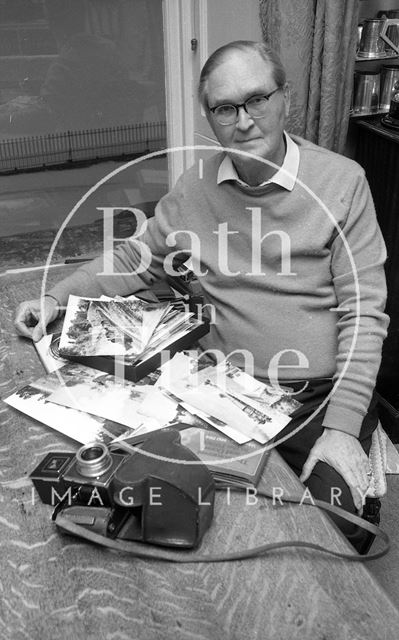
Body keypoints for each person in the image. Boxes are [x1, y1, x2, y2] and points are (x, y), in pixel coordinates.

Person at [15, 41, 389, 552]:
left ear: (285, 98)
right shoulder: (195, 190)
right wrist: (56, 297)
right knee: (151, 505)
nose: (244, 121)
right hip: (221, 391)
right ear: (210, 117)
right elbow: (134, 257)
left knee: (339, 532)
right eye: (224, 108)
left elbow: (365, 313)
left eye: (257, 99)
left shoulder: (343, 183)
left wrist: (344, 426)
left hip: (318, 398)